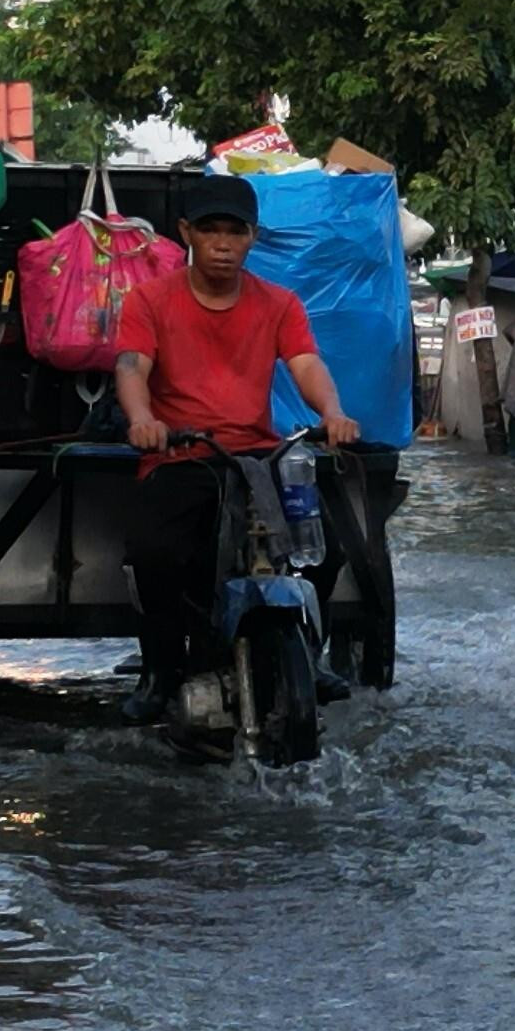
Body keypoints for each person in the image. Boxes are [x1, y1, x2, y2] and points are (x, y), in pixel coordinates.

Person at [113, 177, 359, 723]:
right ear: (186, 234)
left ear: (252, 238)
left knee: (329, 546)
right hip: (183, 455)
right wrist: (144, 419)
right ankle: (160, 671)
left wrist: (332, 414)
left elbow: (305, 364)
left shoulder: (279, 303)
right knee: (154, 552)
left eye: (235, 231)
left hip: (260, 459)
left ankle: (307, 654)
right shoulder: (150, 300)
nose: (222, 243)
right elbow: (132, 365)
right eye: (210, 230)